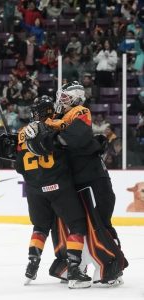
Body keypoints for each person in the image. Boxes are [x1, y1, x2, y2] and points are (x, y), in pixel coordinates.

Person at [29, 81, 127, 285]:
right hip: (75, 183)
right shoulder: (61, 118)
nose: (60, 101)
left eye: (65, 97)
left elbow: (74, 139)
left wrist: (48, 139)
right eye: (60, 97)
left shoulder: (80, 112)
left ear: (76, 98)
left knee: (100, 225)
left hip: (94, 181)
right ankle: (73, 265)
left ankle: (112, 267)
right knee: (73, 225)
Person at [14, 95, 91, 288]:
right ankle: (74, 271)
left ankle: (32, 265)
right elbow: (71, 145)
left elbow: (18, 166)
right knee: (77, 225)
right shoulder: (57, 124)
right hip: (58, 185)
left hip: (34, 190)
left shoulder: (23, 132)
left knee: (40, 228)